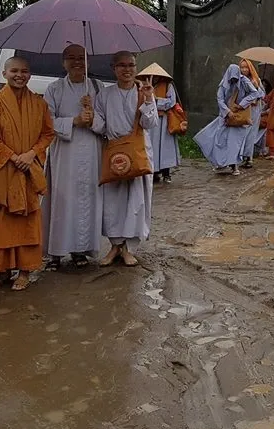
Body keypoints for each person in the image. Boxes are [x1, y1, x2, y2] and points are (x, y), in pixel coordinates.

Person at [0, 56, 55, 291]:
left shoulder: (39, 103)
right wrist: (12, 157)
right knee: (0, 223)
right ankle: (1, 270)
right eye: (14, 71)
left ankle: (25, 271)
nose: (19, 75)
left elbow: (48, 134)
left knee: (27, 223)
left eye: (24, 71)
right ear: (4, 74)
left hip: (28, 170)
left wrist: (31, 154)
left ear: (29, 75)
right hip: (4, 170)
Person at [92, 51, 158, 267]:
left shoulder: (143, 92)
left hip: (138, 150)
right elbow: (100, 126)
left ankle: (129, 248)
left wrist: (149, 99)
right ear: (114, 68)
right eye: (122, 65)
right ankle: (115, 246)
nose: (127, 69)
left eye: (131, 65)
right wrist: (89, 113)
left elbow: (150, 123)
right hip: (114, 152)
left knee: (137, 200)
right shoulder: (104, 94)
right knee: (112, 201)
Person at [42, 44, 101, 271]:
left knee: (85, 200)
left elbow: (106, 122)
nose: (77, 62)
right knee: (62, 200)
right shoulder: (54, 89)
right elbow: (46, 122)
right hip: (64, 153)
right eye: (72, 58)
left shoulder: (96, 87)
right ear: (63, 62)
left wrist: (92, 117)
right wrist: (74, 121)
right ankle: (55, 252)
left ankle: (80, 249)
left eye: (81, 58)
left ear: (88, 62)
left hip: (91, 151)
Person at [194, 64, 260, 175]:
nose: (234, 80)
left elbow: (255, 93)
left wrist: (242, 104)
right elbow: (220, 99)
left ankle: (234, 166)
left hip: (238, 118)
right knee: (221, 142)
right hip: (225, 118)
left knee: (235, 143)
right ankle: (221, 164)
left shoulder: (244, 81)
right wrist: (227, 112)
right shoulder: (223, 85)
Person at [136, 63, 181, 184]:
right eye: (152, 75)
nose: (154, 77)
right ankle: (154, 172)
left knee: (165, 147)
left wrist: (156, 101)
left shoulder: (168, 85)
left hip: (164, 120)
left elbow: (171, 101)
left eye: (156, 76)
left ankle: (166, 173)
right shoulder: (144, 85)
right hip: (151, 120)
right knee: (152, 147)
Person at [238, 59, 265, 169]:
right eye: (242, 67)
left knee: (251, 134)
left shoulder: (256, 80)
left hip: (253, 111)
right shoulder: (238, 80)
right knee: (241, 133)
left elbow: (262, 94)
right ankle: (240, 157)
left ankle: (249, 158)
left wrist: (256, 90)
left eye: (246, 67)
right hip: (242, 109)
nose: (244, 69)